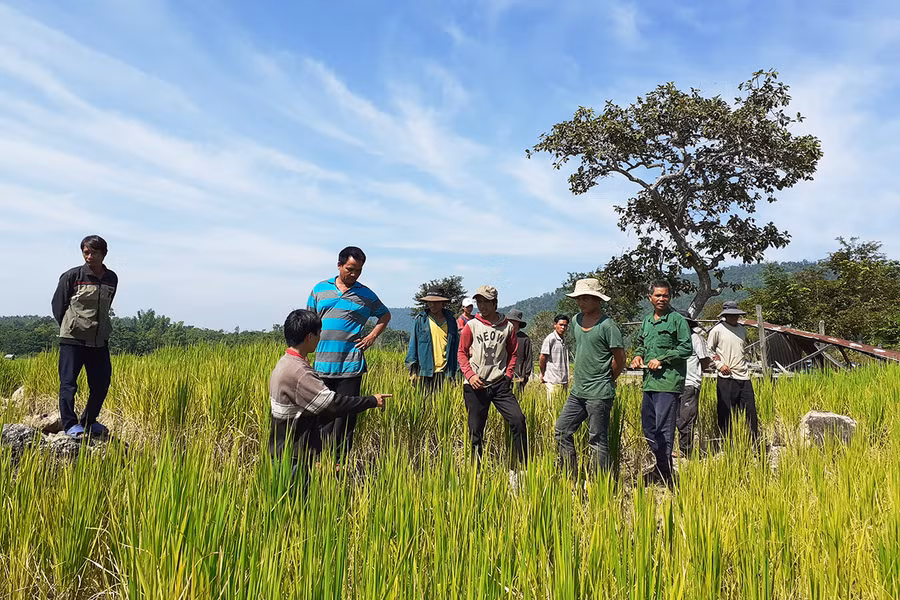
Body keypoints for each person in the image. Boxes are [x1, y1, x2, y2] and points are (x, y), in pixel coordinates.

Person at [269, 309, 390, 488]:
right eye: (319, 334)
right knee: (296, 501)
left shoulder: (285, 362)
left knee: (287, 503)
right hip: (293, 453)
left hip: (283, 447)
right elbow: (332, 404)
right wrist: (372, 401)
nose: (320, 339)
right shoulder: (299, 371)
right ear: (310, 337)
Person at [306, 246, 391, 457]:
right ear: (339, 265)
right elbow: (308, 323)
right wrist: (304, 357)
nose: (353, 274)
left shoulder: (366, 295)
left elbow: (385, 316)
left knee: (345, 419)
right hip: (322, 365)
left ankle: (339, 464)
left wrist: (371, 337)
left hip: (350, 366)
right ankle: (319, 461)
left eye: (358, 271)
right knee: (322, 415)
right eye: (350, 269)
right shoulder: (319, 290)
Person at [555, 279, 625, 475]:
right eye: (579, 298)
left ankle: (600, 485)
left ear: (597, 299)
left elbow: (620, 358)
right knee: (561, 431)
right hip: (578, 392)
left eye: (586, 298)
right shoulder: (576, 321)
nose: (581, 302)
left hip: (599, 393)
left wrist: (607, 378)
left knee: (597, 440)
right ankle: (571, 476)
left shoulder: (607, 326)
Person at [51, 235, 118, 438]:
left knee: (101, 382)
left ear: (104, 254)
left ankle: (89, 421)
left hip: (99, 340)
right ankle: (70, 424)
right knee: (69, 383)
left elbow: (107, 305)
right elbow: (58, 306)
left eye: (94, 252)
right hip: (73, 339)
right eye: (86, 252)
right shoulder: (72, 276)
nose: (89, 256)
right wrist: (71, 325)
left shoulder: (111, 278)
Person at [457, 285, 528, 471]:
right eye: (479, 301)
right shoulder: (471, 325)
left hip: (499, 384)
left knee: (518, 420)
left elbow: (513, 353)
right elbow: (462, 353)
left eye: (486, 302)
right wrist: (470, 375)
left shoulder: (508, 327)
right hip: (475, 386)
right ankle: (476, 473)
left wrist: (508, 375)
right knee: (476, 431)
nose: (482, 305)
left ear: (495, 303)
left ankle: (522, 468)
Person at [630, 280, 692, 485]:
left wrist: (662, 359)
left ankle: (666, 475)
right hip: (649, 383)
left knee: (664, 430)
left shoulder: (677, 320)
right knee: (649, 429)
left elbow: (685, 348)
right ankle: (661, 468)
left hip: (668, 383)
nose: (661, 299)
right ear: (650, 298)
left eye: (665, 295)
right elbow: (640, 345)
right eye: (657, 295)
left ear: (670, 297)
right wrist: (638, 357)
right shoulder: (647, 321)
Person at [707, 301, 760, 441]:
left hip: (743, 375)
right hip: (726, 376)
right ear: (725, 315)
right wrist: (719, 364)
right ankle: (727, 442)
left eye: (735, 315)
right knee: (725, 412)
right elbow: (709, 349)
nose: (733, 317)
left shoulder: (742, 330)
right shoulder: (717, 330)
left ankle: (753, 442)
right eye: (730, 315)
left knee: (750, 411)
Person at [406, 289, 459, 394]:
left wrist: (456, 372)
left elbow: (456, 347)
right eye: (430, 302)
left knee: (443, 405)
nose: (432, 305)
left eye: (436, 302)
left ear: (442, 303)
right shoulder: (421, 320)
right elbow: (413, 345)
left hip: (445, 371)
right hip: (425, 371)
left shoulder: (451, 321)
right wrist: (413, 370)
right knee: (425, 405)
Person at [675, 310, 712, 459]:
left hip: (689, 383)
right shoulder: (672, 339)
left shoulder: (695, 338)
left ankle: (685, 451)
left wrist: (696, 372)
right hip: (672, 383)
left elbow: (705, 360)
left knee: (686, 418)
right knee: (672, 418)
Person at [540, 314, 570, 406]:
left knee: (562, 408)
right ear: (555, 325)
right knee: (552, 407)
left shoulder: (563, 339)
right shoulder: (550, 339)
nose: (563, 327)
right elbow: (542, 357)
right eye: (561, 325)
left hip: (564, 380)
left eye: (565, 325)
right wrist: (542, 373)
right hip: (553, 380)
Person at [506, 309, 533, 395]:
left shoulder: (524, 339)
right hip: (504, 376)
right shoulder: (504, 336)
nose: (511, 323)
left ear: (518, 323)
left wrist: (525, 376)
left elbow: (528, 358)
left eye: (513, 321)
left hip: (519, 376)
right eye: (509, 321)